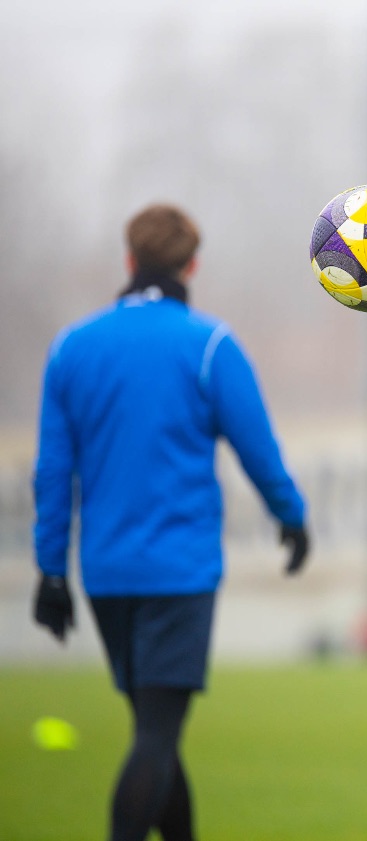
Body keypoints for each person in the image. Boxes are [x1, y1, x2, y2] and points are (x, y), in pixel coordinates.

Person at [32, 204, 310, 841]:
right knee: (157, 736)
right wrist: (292, 517)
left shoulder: (72, 347)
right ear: (192, 265)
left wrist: (51, 571)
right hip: (179, 572)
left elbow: (52, 472)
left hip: (106, 574)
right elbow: (258, 450)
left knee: (154, 732)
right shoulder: (209, 345)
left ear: (129, 260)